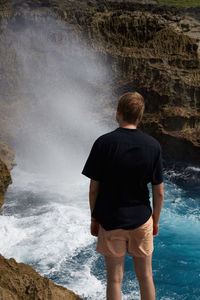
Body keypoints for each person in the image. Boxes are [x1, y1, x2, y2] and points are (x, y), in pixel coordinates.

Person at [82, 92, 164, 300]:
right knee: (145, 277)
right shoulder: (153, 146)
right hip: (141, 219)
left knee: (114, 280)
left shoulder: (104, 143)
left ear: (118, 113)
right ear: (140, 116)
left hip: (110, 220)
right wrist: (155, 220)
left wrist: (94, 218)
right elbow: (159, 191)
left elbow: (94, 188)